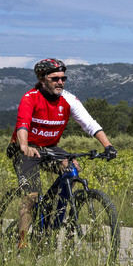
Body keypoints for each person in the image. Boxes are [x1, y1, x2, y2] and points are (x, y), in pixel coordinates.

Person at [10, 58, 116, 247]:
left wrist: (108, 146)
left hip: (50, 148)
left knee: (73, 167)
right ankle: (22, 241)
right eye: (55, 78)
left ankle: (53, 215)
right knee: (31, 196)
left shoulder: (68, 99)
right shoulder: (31, 97)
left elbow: (89, 124)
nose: (60, 82)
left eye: (63, 78)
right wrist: (24, 146)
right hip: (26, 148)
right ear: (42, 79)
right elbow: (23, 123)